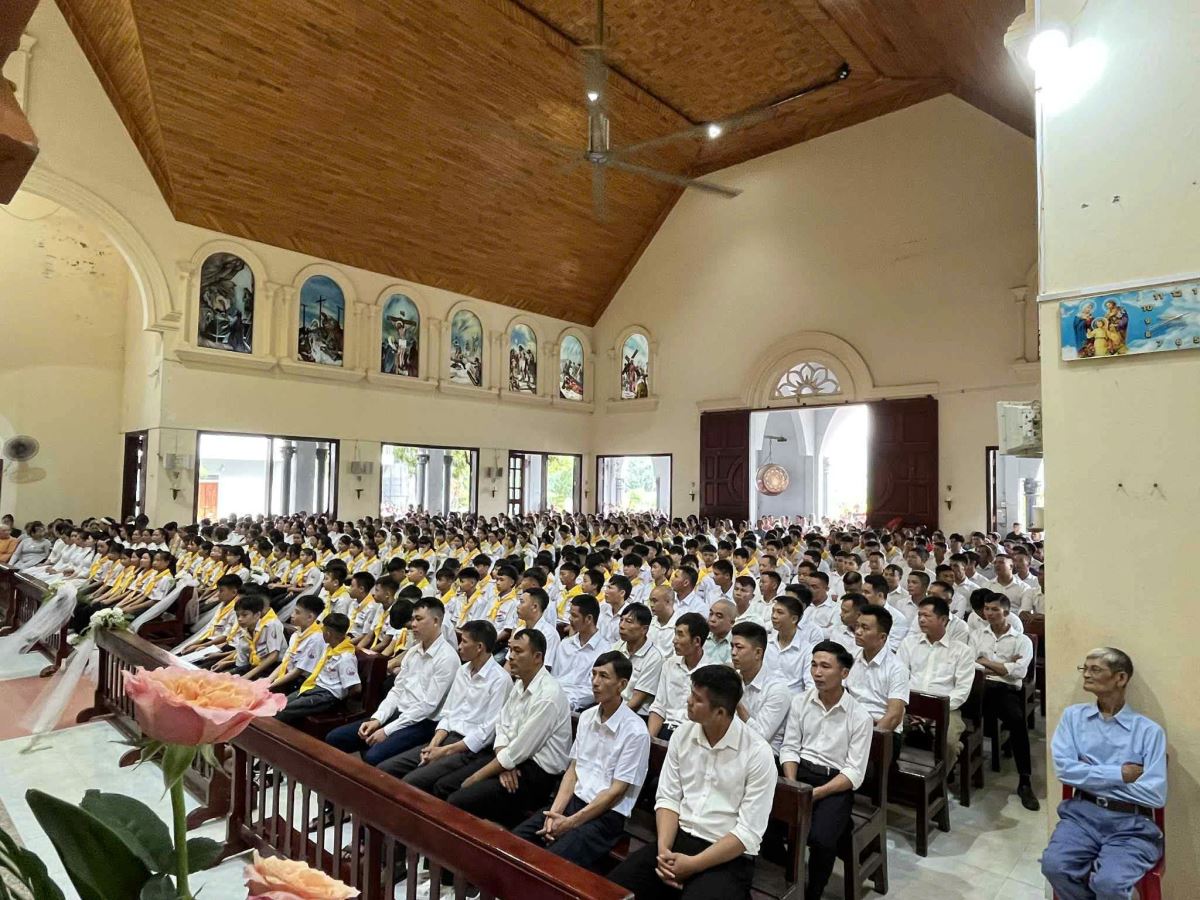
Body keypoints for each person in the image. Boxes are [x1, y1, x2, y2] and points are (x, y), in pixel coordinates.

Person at [608, 665, 776, 900]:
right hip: (677, 840)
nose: (688, 701)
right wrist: (663, 851)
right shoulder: (682, 735)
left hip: (726, 855)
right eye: (691, 694)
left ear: (720, 712)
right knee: (611, 890)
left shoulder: (757, 753)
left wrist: (693, 864)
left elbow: (748, 832)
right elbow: (668, 798)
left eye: (697, 699)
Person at [1042, 648, 1166, 900]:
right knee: (1054, 867)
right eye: (1084, 668)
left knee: (1109, 884)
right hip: (1080, 817)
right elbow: (1064, 770)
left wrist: (1088, 774)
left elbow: (1154, 795)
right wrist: (1120, 774)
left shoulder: (1149, 732)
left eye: (1095, 669)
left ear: (1121, 678)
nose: (1086, 674)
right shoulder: (1073, 718)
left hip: (1132, 825)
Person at [513, 651, 650, 868]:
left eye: (603, 676)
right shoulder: (587, 717)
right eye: (593, 674)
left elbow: (616, 791)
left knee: (548, 863)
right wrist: (555, 813)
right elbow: (573, 770)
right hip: (573, 802)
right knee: (514, 841)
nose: (595, 682)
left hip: (605, 815)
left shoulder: (636, 731)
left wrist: (570, 823)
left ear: (622, 685)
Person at [442, 629, 572, 826]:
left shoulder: (548, 696)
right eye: (510, 650)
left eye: (518, 651)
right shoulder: (520, 683)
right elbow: (502, 725)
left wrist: (476, 778)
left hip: (536, 774)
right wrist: (504, 763)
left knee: (459, 798)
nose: (510, 656)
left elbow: (521, 750)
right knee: (444, 785)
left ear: (537, 657)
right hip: (509, 756)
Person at [779, 641, 873, 900]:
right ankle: (784, 882)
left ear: (844, 673)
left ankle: (814, 892)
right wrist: (793, 784)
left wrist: (816, 794)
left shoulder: (859, 716)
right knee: (769, 825)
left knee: (821, 839)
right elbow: (790, 747)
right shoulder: (800, 702)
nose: (817, 673)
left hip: (835, 782)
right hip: (800, 774)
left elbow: (853, 772)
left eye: (825, 667)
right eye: (813, 665)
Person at [379, 620, 511, 792]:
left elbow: (485, 733)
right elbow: (448, 714)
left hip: (467, 749)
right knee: (385, 769)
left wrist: (444, 751)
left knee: (410, 782)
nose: (459, 646)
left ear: (479, 647)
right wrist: (434, 745)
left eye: (464, 642)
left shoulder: (500, 680)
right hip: (444, 739)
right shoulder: (463, 670)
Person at [324, 597, 458, 766]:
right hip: (399, 713)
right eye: (412, 619)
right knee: (335, 737)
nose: (413, 624)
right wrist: (378, 719)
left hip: (422, 722)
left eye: (419, 619)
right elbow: (397, 690)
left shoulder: (447, 658)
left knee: (373, 756)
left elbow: (427, 706)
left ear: (436, 621)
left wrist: (386, 730)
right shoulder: (413, 652)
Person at [971, 593, 1038, 810]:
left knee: (1017, 720)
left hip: (1005, 690)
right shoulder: (977, 635)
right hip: (979, 687)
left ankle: (1025, 780)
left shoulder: (1022, 640)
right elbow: (970, 664)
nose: (989, 613)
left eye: (995, 610)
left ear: (1006, 612)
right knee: (954, 709)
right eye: (987, 609)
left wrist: (985, 662)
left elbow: (1019, 672)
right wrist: (1003, 666)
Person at [897, 597, 975, 764]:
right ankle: (893, 775)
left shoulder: (962, 651)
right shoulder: (909, 643)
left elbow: (962, 690)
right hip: (908, 706)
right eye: (919, 615)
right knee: (884, 730)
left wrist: (934, 711)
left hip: (946, 709)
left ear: (944, 620)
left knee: (948, 743)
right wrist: (908, 707)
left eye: (927, 616)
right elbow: (899, 679)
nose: (921, 620)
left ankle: (941, 779)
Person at [846, 604, 908, 760]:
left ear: (882, 637)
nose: (858, 631)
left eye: (865, 628)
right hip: (849, 726)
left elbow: (894, 717)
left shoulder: (897, 668)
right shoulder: (852, 658)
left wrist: (866, 739)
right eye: (857, 626)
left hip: (882, 733)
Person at [275, 613, 361, 724]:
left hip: (327, 695)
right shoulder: (330, 648)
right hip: (314, 687)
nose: (321, 633)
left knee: (285, 710)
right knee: (280, 704)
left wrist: (339, 700)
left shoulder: (346, 657)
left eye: (323, 630)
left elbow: (356, 688)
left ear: (328, 633)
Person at [729, 622, 790, 753]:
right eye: (732, 646)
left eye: (739, 647)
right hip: (732, 747)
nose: (733, 652)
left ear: (758, 653)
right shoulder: (733, 679)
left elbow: (760, 737)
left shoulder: (777, 689)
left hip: (764, 755)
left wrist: (736, 702)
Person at [648, 612, 709, 740]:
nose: (674, 640)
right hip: (666, 728)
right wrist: (650, 740)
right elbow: (659, 706)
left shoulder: (711, 671)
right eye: (675, 633)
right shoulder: (669, 664)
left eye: (680, 634)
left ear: (697, 641)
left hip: (692, 735)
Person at [554, 594, 606, 710]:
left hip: (580, 707)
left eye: (574, 616)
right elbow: (554, 677)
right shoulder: (565, 644)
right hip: (555, 698)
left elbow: (593, 690)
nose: (570, 619)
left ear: (589, 619)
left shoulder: (605, 651)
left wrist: (568, 701)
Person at [613, 602, 664, 714]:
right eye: (621, 620)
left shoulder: (654, 657)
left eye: (628, 621)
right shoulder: (617, 647)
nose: (621, 625)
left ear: (644, 629)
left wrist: (613, 717)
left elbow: (636, 700)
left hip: (635, 714)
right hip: (611, 706)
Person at [702, 598, 735, 665]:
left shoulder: (736, 643)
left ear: (732, 622)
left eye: (719, 616)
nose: (712, 619)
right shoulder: (702, 638)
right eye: (711, 614)